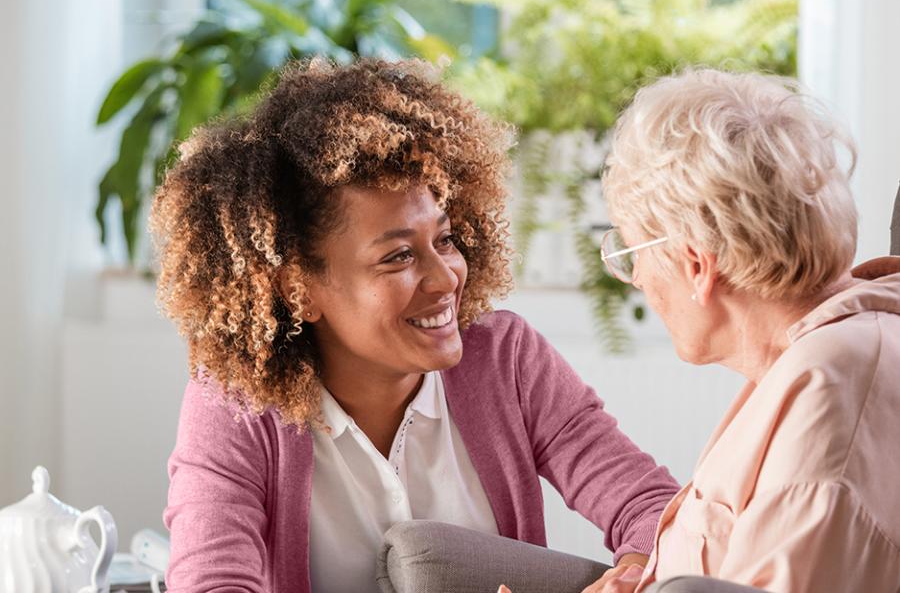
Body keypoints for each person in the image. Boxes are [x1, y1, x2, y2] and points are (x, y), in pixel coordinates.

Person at [150, 58, 679, 593]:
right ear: (298, 289)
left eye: (444, 240)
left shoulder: (507, 360)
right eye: (398, 256)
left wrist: (631, 577)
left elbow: (653, 508)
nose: (445, 277)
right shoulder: (237, 405)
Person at [593, 68, 900, 592]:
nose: (636, 278)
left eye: (632, 252)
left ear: (696, 265)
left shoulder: (832, 388)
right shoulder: (804, 360)